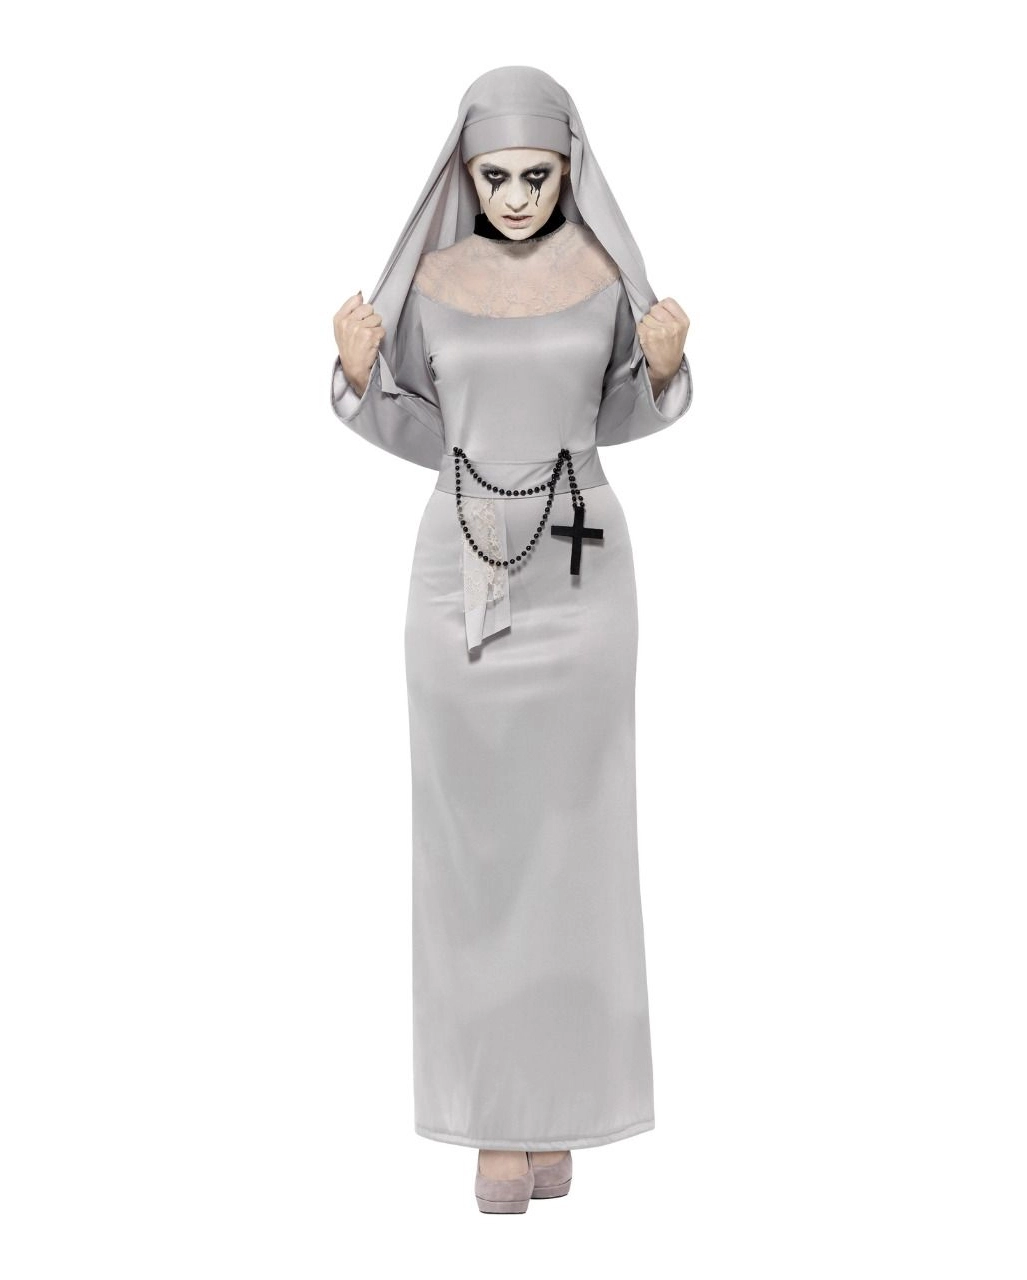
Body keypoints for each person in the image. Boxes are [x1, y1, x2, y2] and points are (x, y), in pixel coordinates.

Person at [330, 66, 693, 1214]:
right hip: (460, 569)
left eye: (538, 174)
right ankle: (497, 1115)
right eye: (496, 176)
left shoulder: (601, 276)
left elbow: (618, 412)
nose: (519, 195)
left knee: (577, 841)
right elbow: (418, 427)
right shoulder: (433, 283)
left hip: (582, 572)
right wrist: (358, 374)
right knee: (473, 842)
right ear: (465, 172)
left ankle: (561, 1105)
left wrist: (665, 367)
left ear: (570, 168)